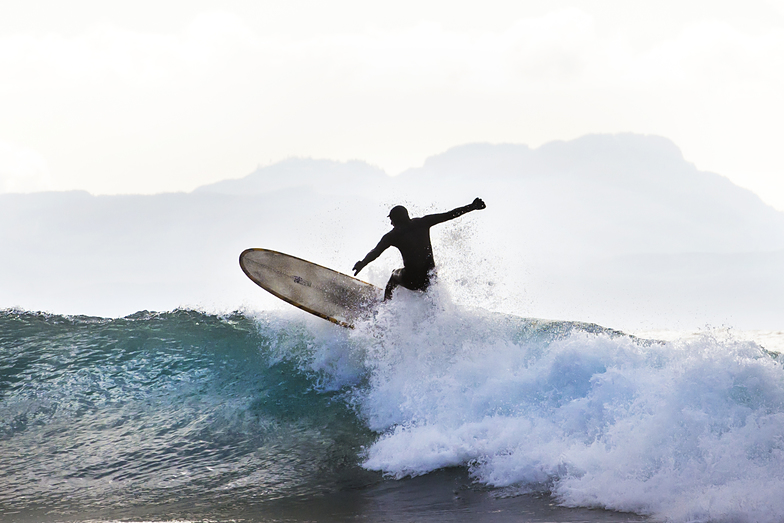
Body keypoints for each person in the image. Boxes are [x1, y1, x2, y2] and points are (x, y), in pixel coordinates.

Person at [353, 198, 486, 300]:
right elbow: (449, 215)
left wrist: (361, 264)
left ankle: (385, 306)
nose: (391, 223)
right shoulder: (423, 222)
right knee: (428, 277)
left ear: (395, 220)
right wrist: (472, 206)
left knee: (394, 275)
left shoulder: (392, 235)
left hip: (412, 281)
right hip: (430, 281)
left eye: (391, 220)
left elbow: (375, 252)